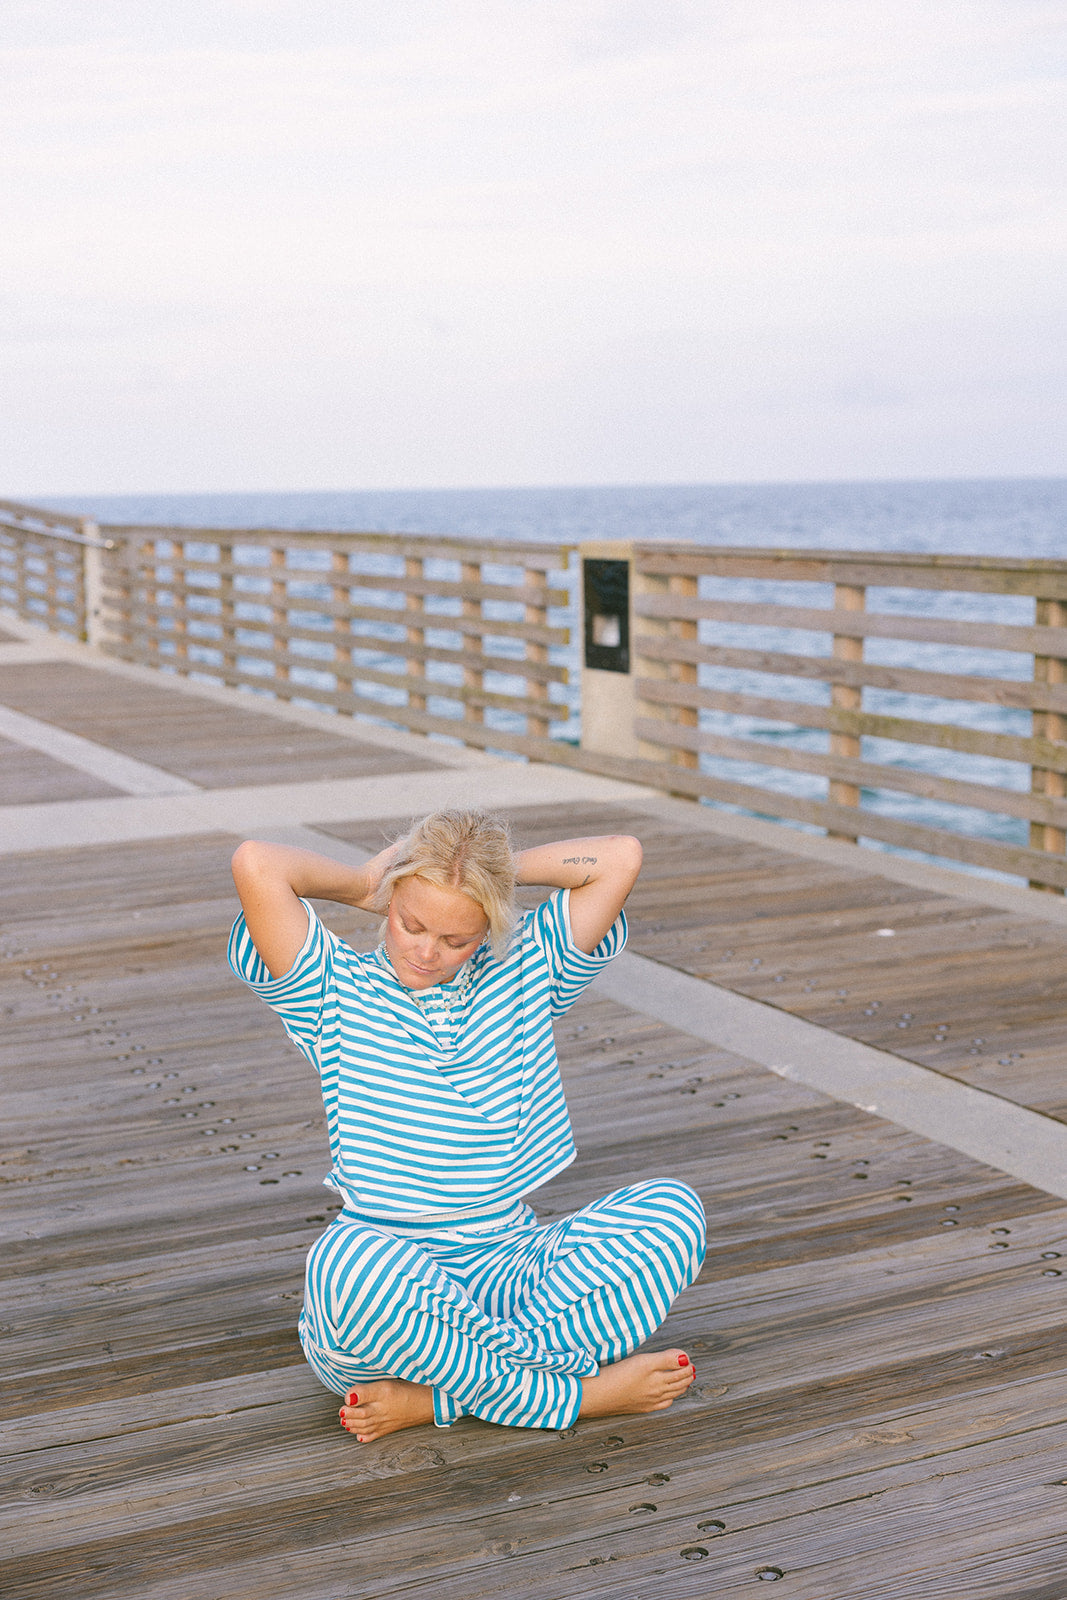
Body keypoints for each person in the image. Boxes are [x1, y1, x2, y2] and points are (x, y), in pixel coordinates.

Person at [229, 809, 705, 1441]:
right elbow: (257, 864)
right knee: (343, 1266)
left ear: (487, 930)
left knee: (672, 1214)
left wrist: (493, 875)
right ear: (391, 903)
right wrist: (366, 881)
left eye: (456, 939)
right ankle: (576, 1397)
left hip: (509, 1267)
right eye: (411, 924)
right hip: (388, 1297)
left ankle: (440, 1399)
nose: (427, 951)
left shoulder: (528, 973)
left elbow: (619, 857)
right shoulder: (332, 989)